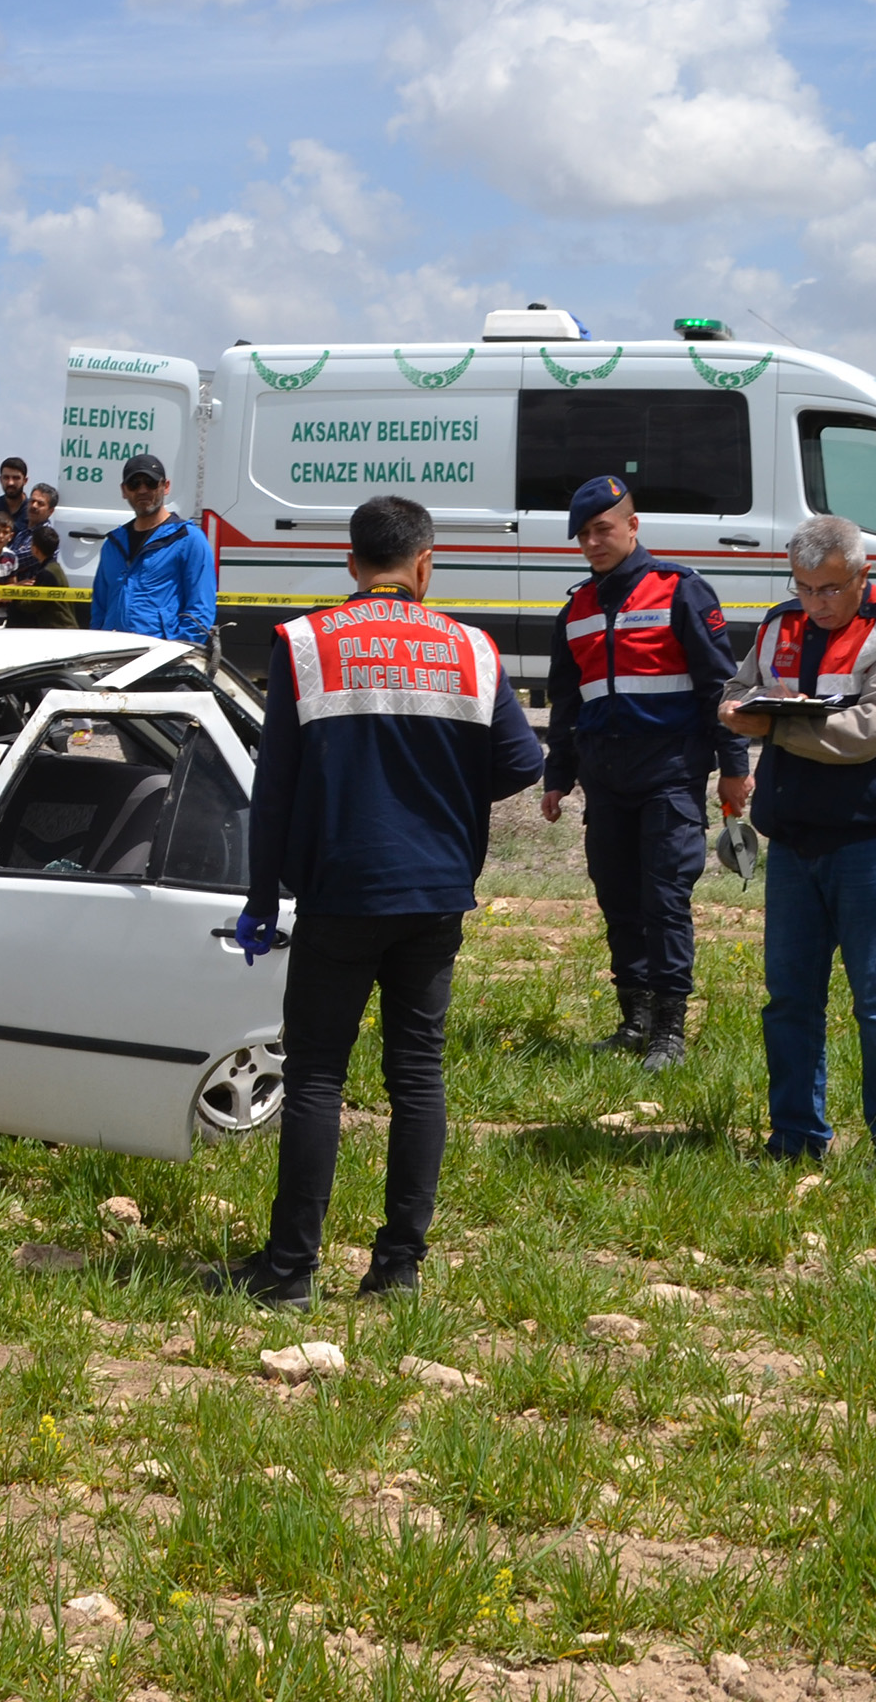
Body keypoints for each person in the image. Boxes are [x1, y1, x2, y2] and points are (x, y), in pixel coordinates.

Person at [218, 496, 544, 1307]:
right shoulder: (473, 648)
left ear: (351, 562)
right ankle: (398, 1270)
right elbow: (522, 761)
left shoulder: (305, 642)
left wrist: (263, 894)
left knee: (320, 1076)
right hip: (436, 893)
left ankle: (290, 1272)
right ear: (426, 564)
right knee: (418, 1075)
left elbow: (277, 788)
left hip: (340, 889)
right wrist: (444, 795)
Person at [718, 514, 876, 1161]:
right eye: (805, 587)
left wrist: (770, 729)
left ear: (862, 575)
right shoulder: (778, 624)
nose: (816, 603)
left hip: (872, 843)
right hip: (793, 842)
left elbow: (868, 731)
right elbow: (734, 694)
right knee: (789, 1000)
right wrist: (739, 713)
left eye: (831, 589)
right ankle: (794, 1138)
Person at [538, 478, 752, 1073]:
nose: (592, 541)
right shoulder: (576, 607)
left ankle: (668, 1032)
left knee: (664, 901)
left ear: (633, 526)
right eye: (583, 534)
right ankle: (632, 1020)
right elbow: (566, 701)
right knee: (618, 899)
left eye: (603, 529)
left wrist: (734, 770)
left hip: (669, 775)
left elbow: (720, 687)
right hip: (606, 780)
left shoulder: (680, 589)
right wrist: (559, 774)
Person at [87, 453, 215, 645]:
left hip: (161, 659)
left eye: (151, 482)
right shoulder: (112, 545)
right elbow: (99, 608)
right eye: (134, 484)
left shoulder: (188, 539)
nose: (143, 490)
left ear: (165, 486)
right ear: (124, 490)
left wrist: (174, 653)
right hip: (112, 655)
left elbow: (201, 610)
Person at [4, 522, 79, 628]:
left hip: (60, 629)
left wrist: (14, 596)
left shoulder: (47, 573)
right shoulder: (54, 568)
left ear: (35, 549)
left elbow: (32, 605)